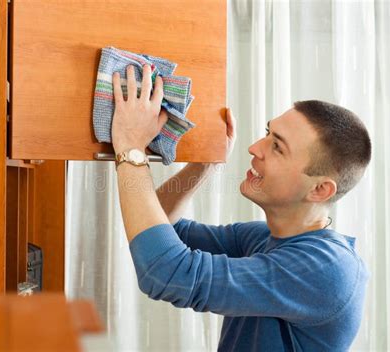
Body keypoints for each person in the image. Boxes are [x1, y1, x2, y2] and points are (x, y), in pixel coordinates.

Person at [110, 63, 371, 351]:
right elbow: (160, 225)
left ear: (320, 189)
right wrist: (205, 164)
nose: (254, 147)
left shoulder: (326, 269)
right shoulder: (262, 239)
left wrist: (131, 146)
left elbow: (165, 272)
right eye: (267, 133)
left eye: (277, 147)